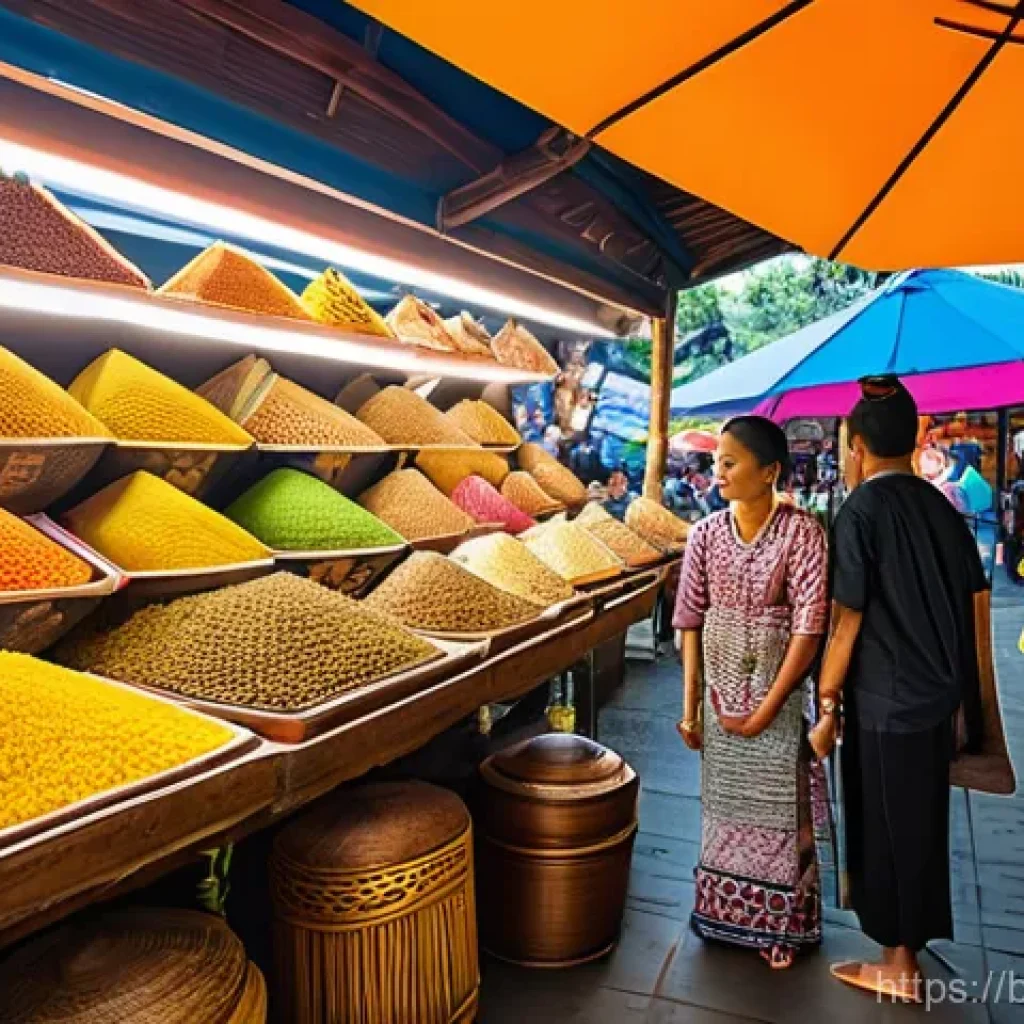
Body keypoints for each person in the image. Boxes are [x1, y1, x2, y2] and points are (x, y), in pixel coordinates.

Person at [812, 376, 988, 1003]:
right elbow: (972, 602)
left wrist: (826, 700)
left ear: (856, 446)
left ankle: (900, 963)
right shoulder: (943, 509)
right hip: (938, 699)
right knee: (920, 823)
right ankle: (907, 949)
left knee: (886, 827)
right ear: (914, 440)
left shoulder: (861, 510)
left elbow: (847, 617)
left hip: (884, 699)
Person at [674, 416, 830, 969]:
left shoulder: (803, 533)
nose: (718, 472)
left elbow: (810, 627)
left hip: (778, 697)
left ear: (769, 472)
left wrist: (768, 707)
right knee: (724, 813)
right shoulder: (703, 534)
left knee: (782, 813)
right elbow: (689, 620)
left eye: (730, 462)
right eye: (717, 462)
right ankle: (723, 917)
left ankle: (780, 928)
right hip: (719, 698)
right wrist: (691, 708)